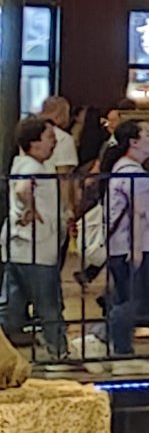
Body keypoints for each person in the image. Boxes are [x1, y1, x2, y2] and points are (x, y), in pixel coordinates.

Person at [100, 118, 149, 360]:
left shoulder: (121, 170)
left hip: (121, 245)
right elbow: (138, 214)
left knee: (126, 297)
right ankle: (118, 347)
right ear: (133, 142)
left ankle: (105, 338)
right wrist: (137, 250)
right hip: (133, 245)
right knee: (133, 299)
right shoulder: (134, 175)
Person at [3, 114, 67, 361]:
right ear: (34, 142)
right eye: (49, 138)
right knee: (48, 303)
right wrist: (30, 207)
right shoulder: (33, 167)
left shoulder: (20, 163)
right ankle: (58, 351)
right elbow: (22, 190)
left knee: (12, 305)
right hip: (37, 248)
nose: (54, 143)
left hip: (18, 246)